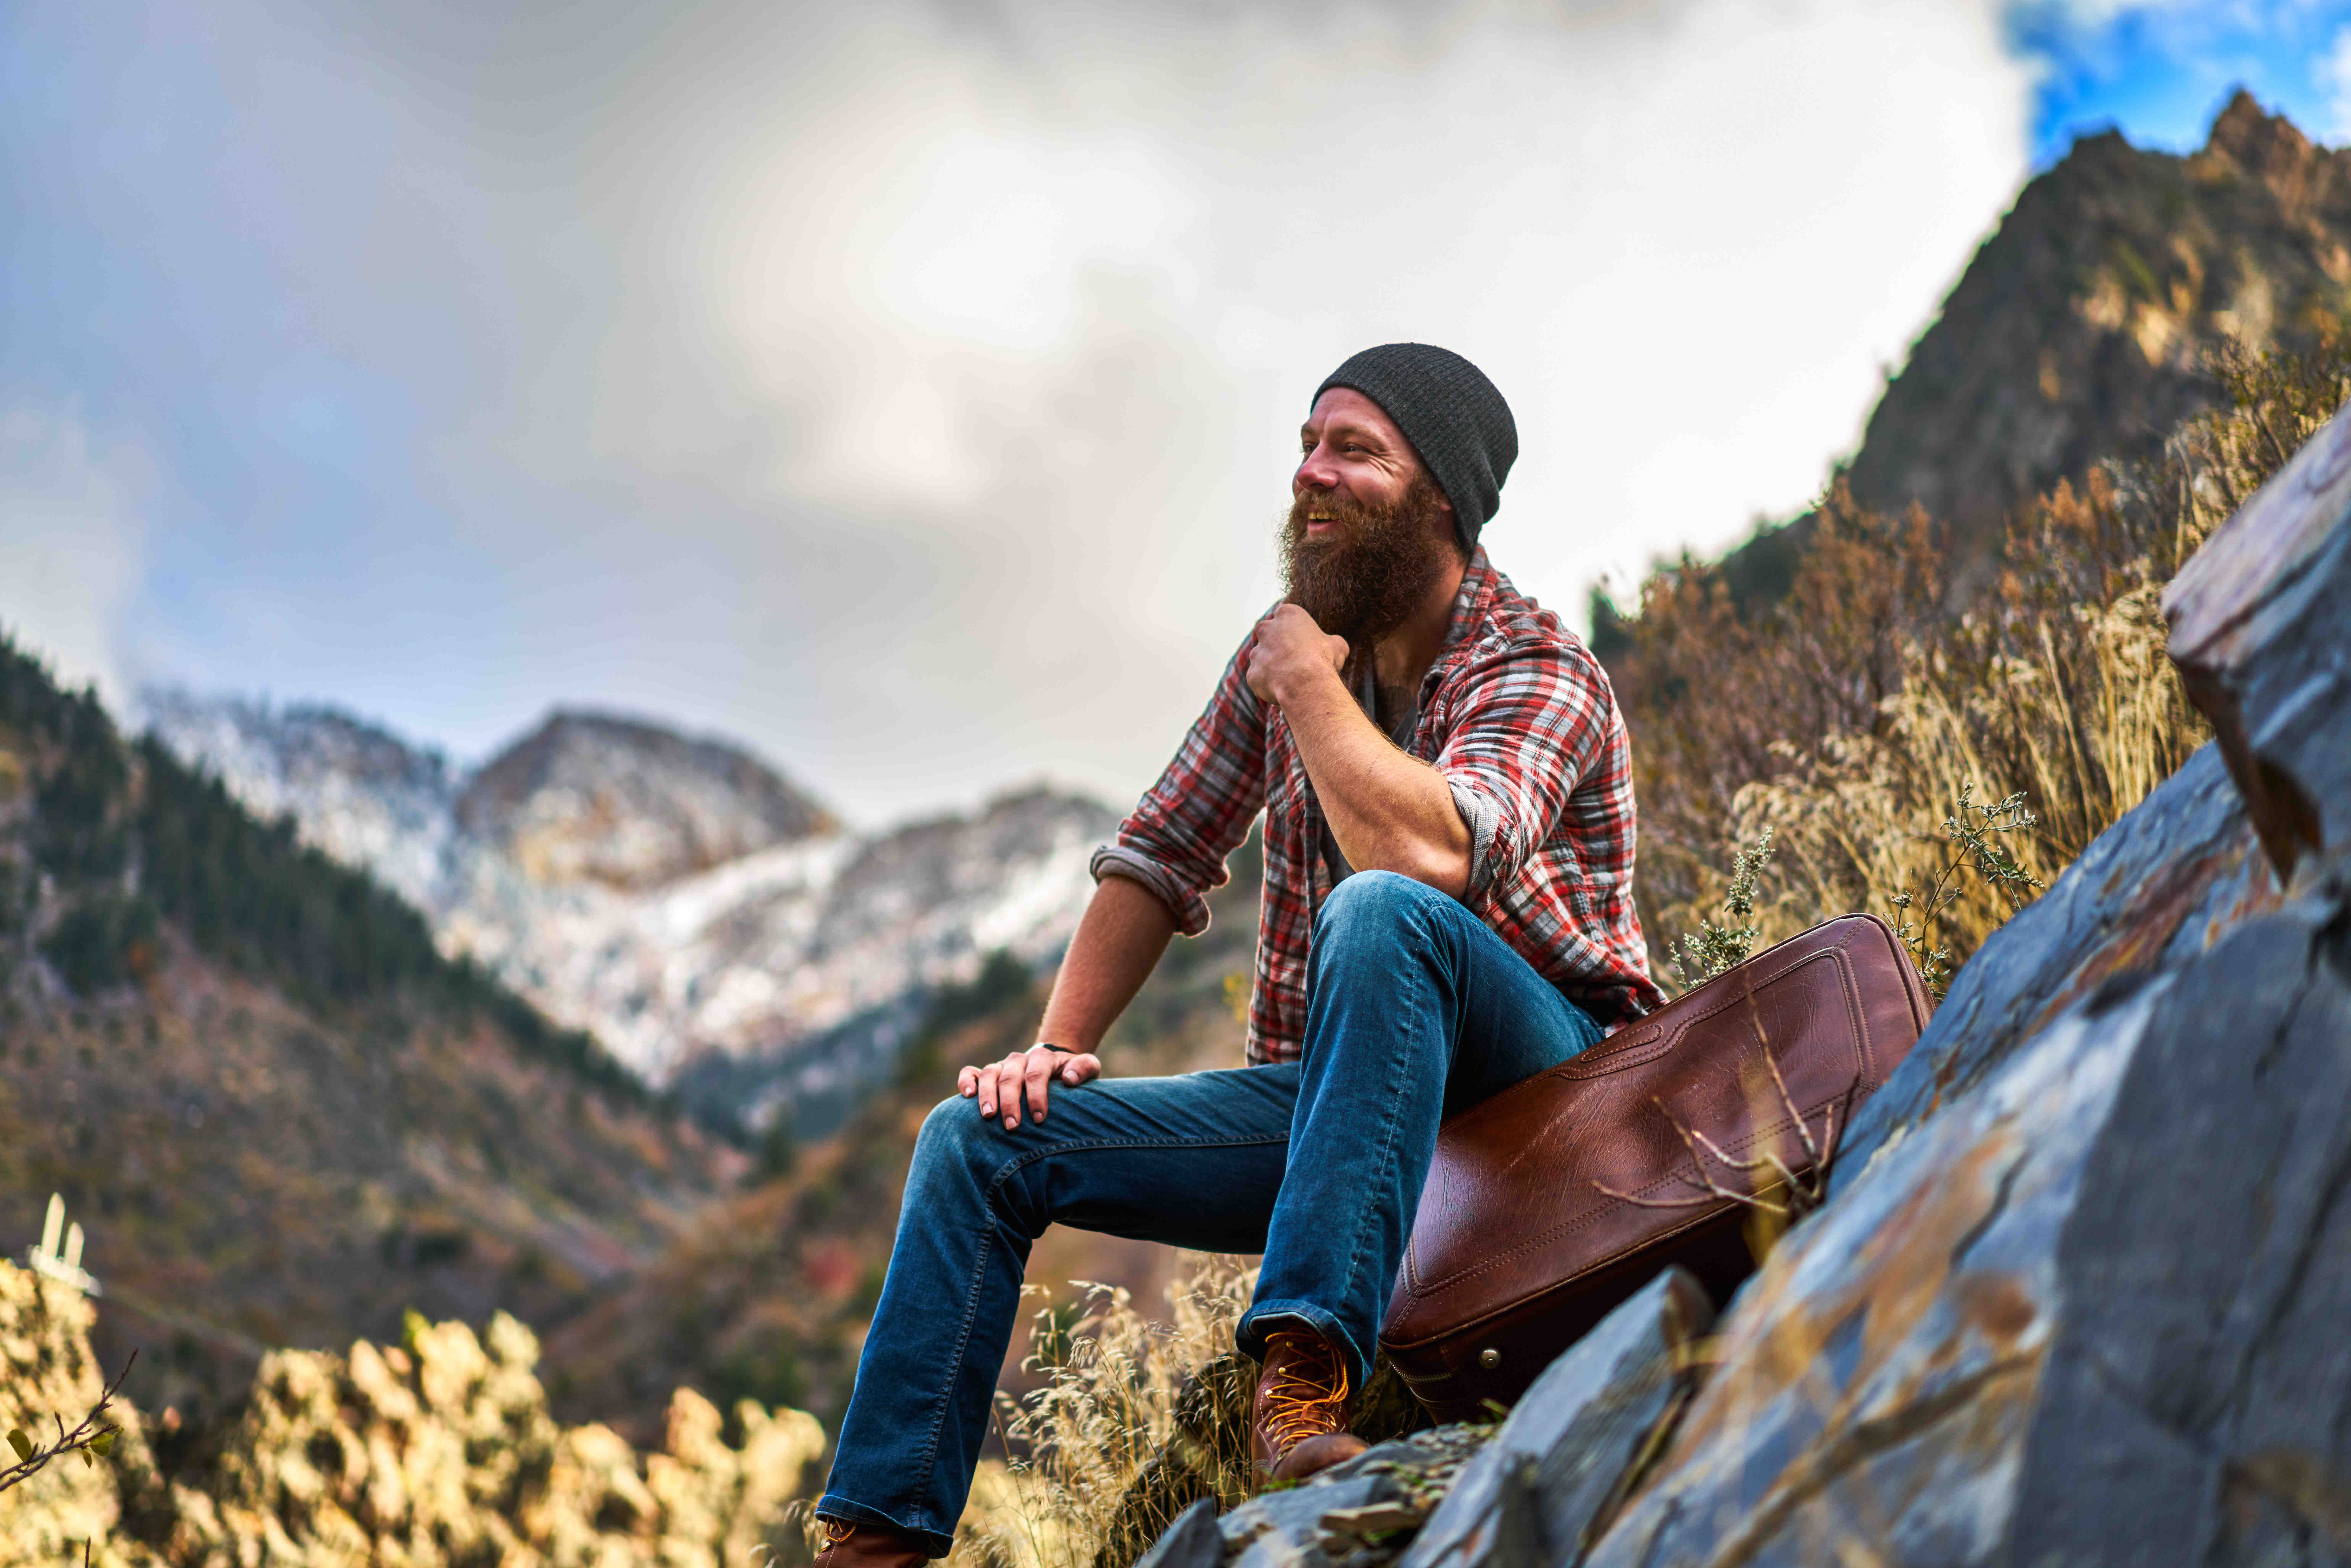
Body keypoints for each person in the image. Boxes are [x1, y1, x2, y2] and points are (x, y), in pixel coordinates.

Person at [813, 344, 1661, 1568]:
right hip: (1351, 1113)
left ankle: (1301, 1389)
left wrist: (1308, 690)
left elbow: (1427, 862)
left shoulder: (1537, 669)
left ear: (1440, 501)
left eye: (1352, 451)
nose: (1308, 477)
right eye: (1306, 447)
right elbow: (1157, 854)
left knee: (1380, 914)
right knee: (977, 1143)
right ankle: (876, 1545)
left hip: (1546, 1097)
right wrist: (1056, 1049)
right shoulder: (1289, 656)